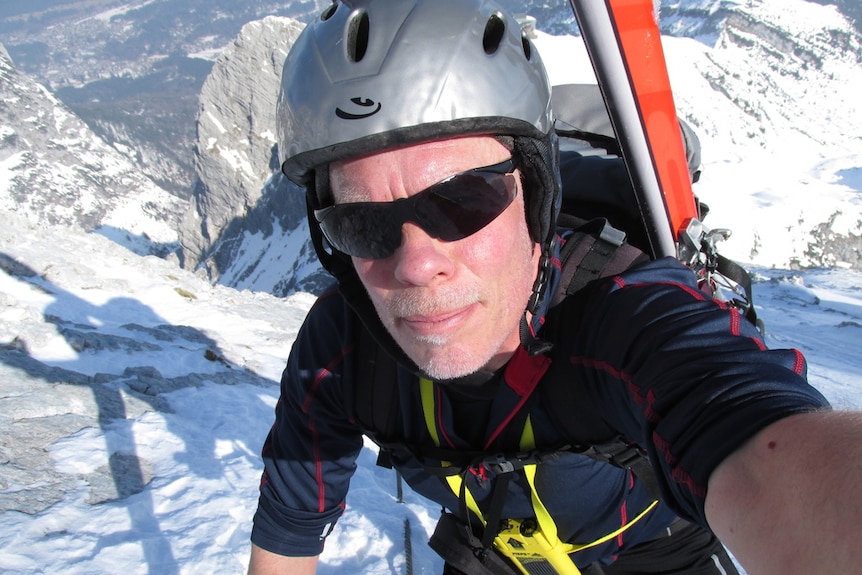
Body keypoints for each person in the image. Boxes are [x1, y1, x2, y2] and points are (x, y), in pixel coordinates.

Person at [248, 1, 859, 574]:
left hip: (655, 552)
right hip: (493, 550)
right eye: (361, 220)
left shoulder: (623, 317)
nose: (416, 264)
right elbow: (287, 531)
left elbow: (763, 450)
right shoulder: (341, 351)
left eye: (461, 199)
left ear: (536, 197)